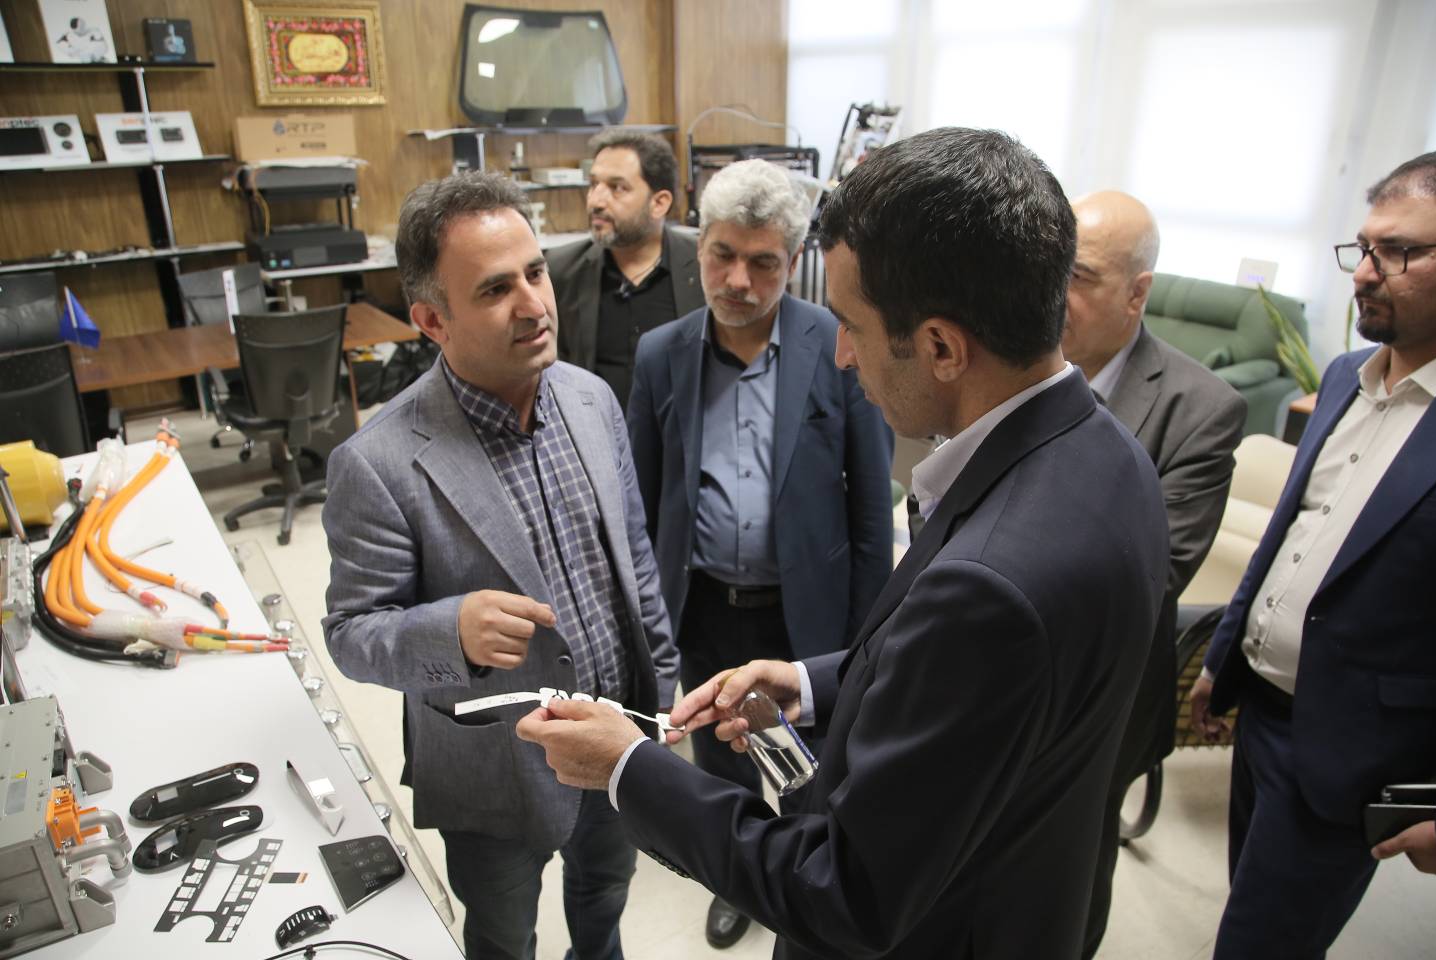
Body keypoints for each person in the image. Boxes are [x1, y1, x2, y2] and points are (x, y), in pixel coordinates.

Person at [515, 127, 1170, 959]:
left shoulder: (988, 587)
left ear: (940, 346)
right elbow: (997, 699)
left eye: (853, 325)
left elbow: (842, 891)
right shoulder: (1112, 457)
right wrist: (811, 681)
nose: (841, 352)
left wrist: (627, 768)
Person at [321, 171, 678, 960]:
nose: (533, 305)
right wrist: (449, 631)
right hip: (491, 767)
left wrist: (661, 688)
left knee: (604, 896)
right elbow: (350, 634)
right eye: (494, 289)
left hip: (617, 732)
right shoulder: (378, 462)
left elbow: (635, 561)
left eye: (535, 273)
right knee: (502, 935)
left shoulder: (591, 400)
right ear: (431, 320)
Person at [626, 159, 895, 948]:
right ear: (699, 247)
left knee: (813, 766)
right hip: (706, 610)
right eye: (722, 255)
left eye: (763, 262)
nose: (739, 280)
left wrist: (867, 637)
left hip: (807, 615)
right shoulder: (661, 354)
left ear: (795, 259)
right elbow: (642, 502)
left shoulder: (836, 345)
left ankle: (814, 886)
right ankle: (735, 882)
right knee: (725, 759)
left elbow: (870, 508)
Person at [1188, 150, 1436, 958]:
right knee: (1247, 910)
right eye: (1363, 248)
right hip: (1261, 711)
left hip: (1354, 746)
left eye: (1399, 252)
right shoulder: (1341, 377)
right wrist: (1223, 657)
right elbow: (1289, 535)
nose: (1365, 273)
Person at [1063, 191, 1246, 959]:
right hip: (992, 675)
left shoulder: (1201, 407)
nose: (1054, 293)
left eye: (1079, 276)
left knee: (1072, 878)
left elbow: (1156, 568)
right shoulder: (1012, 360)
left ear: (1137, 293)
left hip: (1101, 694)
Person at [548, 130, 705, 409]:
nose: (596, 201)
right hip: (596, 431)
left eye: (617, 187)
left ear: (659, 203)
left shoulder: (704, 267)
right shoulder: (561, 272)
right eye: (593, 184)